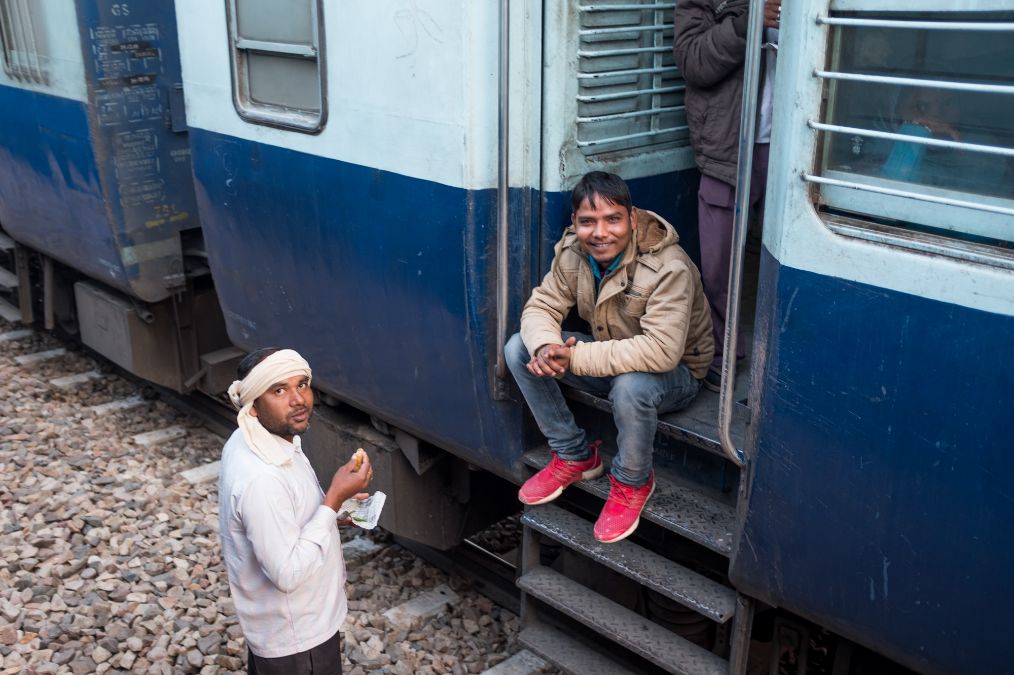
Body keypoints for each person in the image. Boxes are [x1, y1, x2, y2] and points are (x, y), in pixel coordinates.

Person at [505, 171, 713, 544]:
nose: (600, 233)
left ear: (632, 220)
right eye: (588, 222)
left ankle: (632, 481)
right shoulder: (573, 251)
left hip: (676, 373)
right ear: (575, 223)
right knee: (519, 347)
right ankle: (574, 455)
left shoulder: (669, 266)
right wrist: (544, 349)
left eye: (613, 219)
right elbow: (543, 306)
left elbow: (661, 351)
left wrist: (574, 359)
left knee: (631, 387)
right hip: (611, 355)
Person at [218, 347, 373, 674]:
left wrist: (337, 512)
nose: (299, 399)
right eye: (279, 390)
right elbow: (287, 574)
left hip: (285, 631)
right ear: (254, 407)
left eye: (302, 384)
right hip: (298, 641)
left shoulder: (256, 438)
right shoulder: (261, 479)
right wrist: (332, 499)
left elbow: (286, 516)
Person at [674, 0, 781, 391]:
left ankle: (782, 359)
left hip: (794, 145)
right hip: (728, 146)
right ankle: (722, 354)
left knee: (784, 260)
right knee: (721, 264)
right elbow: (693, 61)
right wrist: (746, 26)